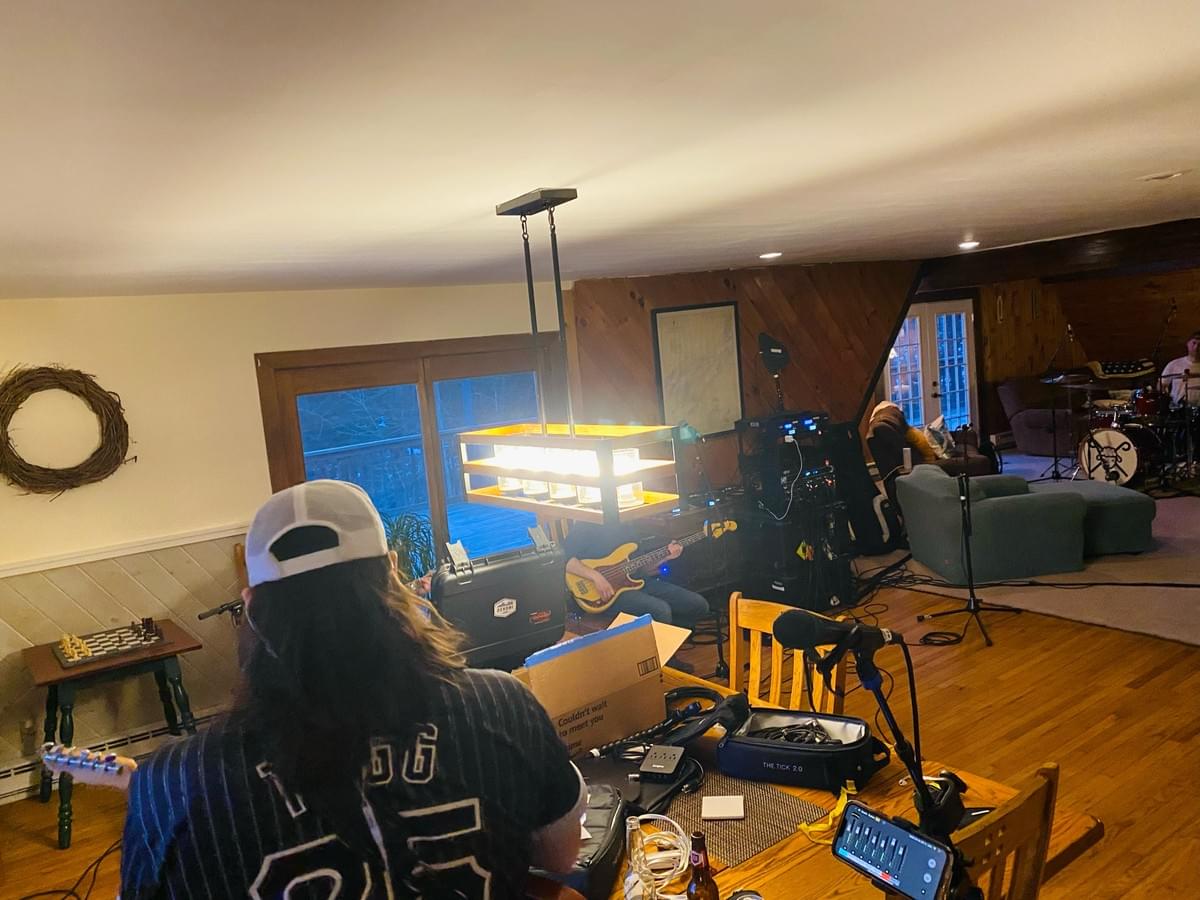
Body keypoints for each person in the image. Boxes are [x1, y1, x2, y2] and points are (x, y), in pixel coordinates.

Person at [121, 480, 585, 899]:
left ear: (253, 607)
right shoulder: (504, 704)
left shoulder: (172, 780)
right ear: (394, 574)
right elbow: (561, 856)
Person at [562, 521, 710, 629]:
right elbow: (564, 560)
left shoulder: (629, 525)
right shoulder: (587, 523)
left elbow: (642, 568)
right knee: (661, 610)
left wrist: (665, 557)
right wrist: (596, 576)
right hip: (607, 594)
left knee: (697, 605)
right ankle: (664, 658)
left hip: (635, 582)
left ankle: (667, 646)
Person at [1161, 330, 1200, 406]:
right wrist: (1166, 396)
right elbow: (1162, 384)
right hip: (1178, 407)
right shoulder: (1174, 364)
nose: (1196, 347)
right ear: (1187, 343)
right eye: (1194, 343)